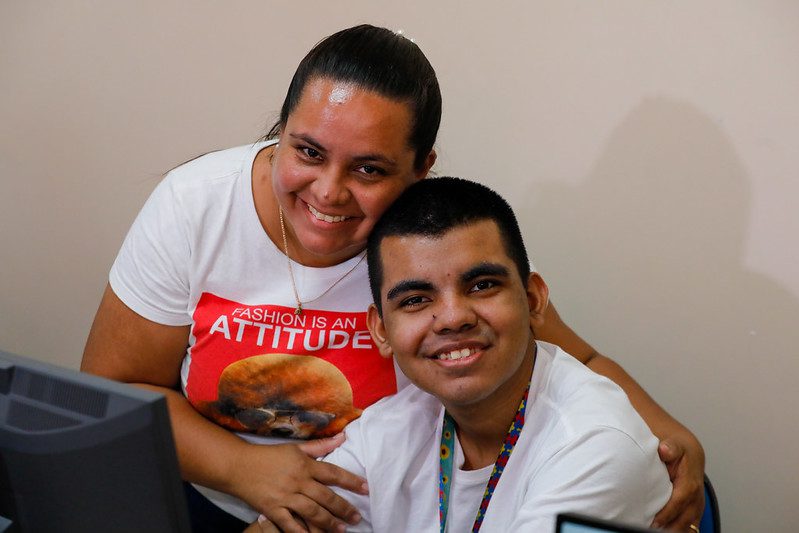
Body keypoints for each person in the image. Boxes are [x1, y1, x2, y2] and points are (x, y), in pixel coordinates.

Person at [81, 24, 703, 533]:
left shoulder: (432, 251)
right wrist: (243, 469)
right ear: (281, 131)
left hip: (362, 509)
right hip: (204, 496)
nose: (329, 192)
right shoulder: (196, 205)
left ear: (419, 170)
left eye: (369, 169)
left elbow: (566, 359)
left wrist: (671, 437)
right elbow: (113, 393)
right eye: (307, 152)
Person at [282, 176, 672, 532]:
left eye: (482, 285)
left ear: (533, 299)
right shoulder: (390, 427)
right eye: (416, 299)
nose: (453, 318)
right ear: (382, 330)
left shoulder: (595, 445)